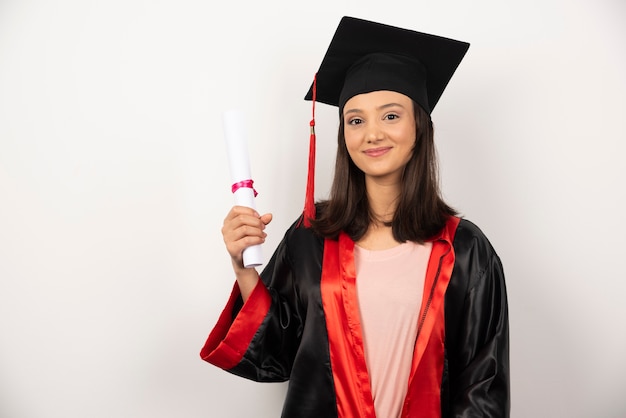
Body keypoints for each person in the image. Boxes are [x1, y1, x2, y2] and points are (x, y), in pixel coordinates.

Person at [201, 16, 510, 418]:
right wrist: (243, 269)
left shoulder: (465, 250)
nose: (372, 134)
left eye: (391, 115)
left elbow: (483, 384)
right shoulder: (311, 235)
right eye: (356, 120)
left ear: (420, 128)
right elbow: (277, 354)